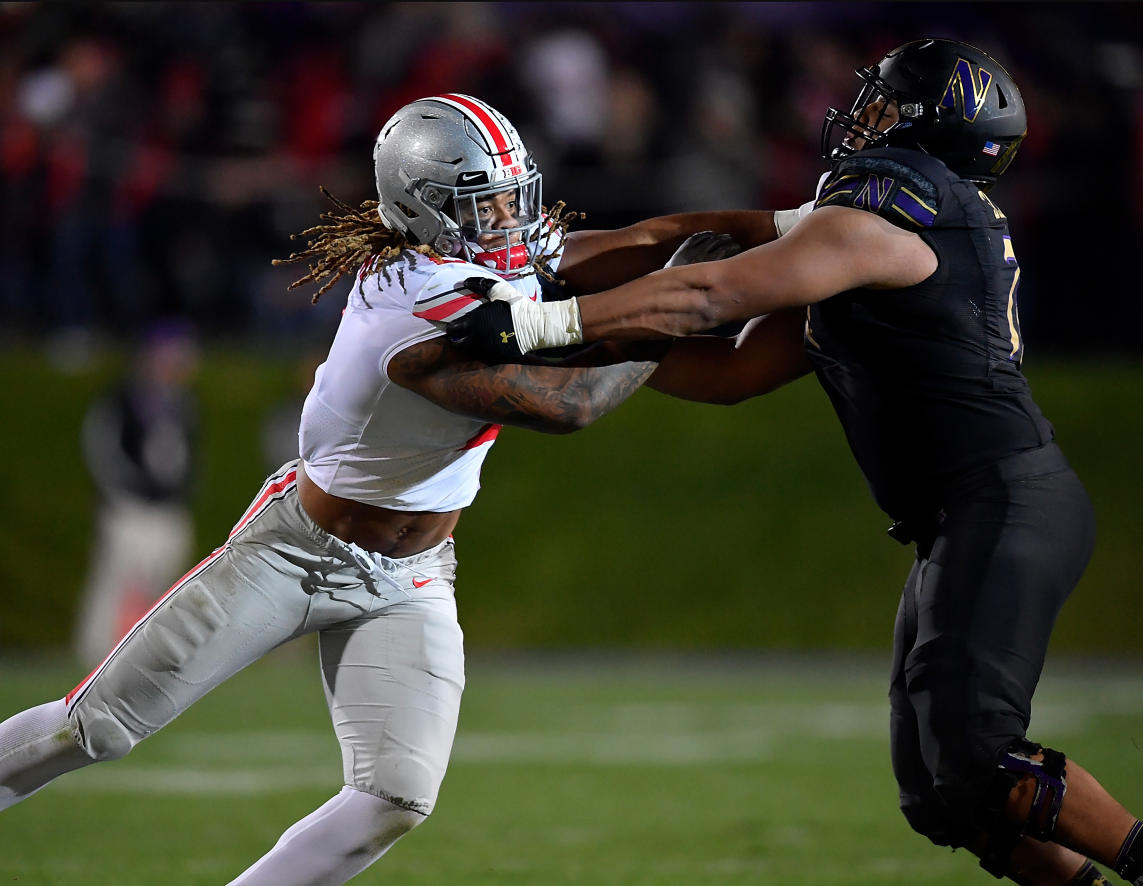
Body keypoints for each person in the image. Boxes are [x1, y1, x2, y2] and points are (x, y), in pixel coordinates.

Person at [446, 42, 1143, 886]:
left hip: (1003, 500)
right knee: (942, 797)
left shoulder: (891, 217)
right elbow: (732, 369)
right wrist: (577, 352)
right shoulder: (888, 226)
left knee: (981, 756)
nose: (859, 115)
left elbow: (705, 293)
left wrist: (540, 326)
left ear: (926, 124)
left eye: (882, 102)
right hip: (965, 514)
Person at [0, 93, 783, 885]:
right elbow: (568, 404)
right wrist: (676, 310)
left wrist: (789, 227)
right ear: (427, 209)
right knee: (94, 730)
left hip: (412, 578)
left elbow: (633, 240)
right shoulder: (415, 306)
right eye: (489, 203)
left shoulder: (475, 261)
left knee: (393, 797)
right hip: (296, 556)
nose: (513, 217)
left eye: (515, 194)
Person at [73, 320, 201, 666]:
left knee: (165, 586)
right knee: (116, 581)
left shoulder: (183, 404)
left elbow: (185, 455)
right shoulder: (121, 400)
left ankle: (152, 657)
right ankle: (94, 653)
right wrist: (123, 489)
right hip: (130, 507)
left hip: (169, 509)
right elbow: (101, 449)